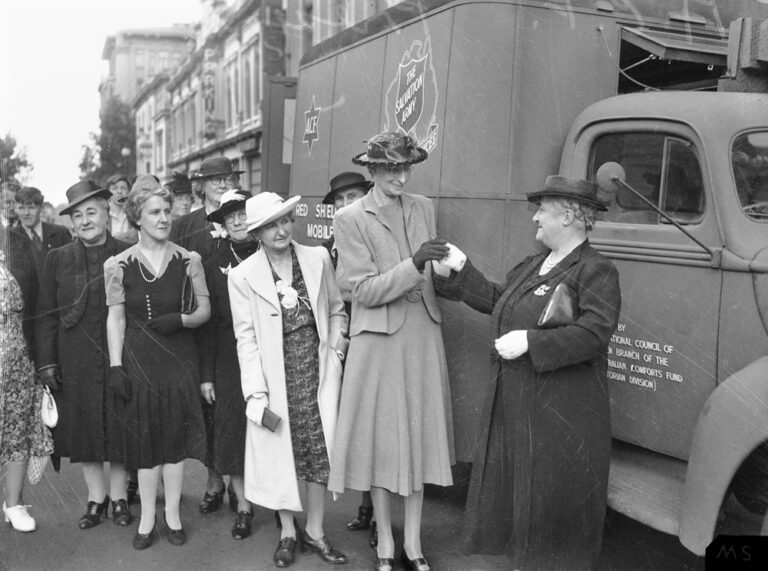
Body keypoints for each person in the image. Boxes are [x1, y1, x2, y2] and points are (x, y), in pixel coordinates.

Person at [441, 176, 621, 570]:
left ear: (570, 216)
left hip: (561, 415)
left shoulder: (596, 269)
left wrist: (531, 343)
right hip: (521, 403)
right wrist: (461, 268)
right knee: (524, 501)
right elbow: (498, 302)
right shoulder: (533, 265)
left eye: (543, 210)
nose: (535, 218)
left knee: (551, 502)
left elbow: (595, 333)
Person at [328, 132, 455, 571]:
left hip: (422, 333)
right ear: (373, 170)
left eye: (406, 167)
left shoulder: (424, 206)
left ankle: (414, 546)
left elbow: (432, 271)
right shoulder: (350, 217)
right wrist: (416, 263)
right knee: (383, 447)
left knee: (417, 442)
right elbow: (363, 290)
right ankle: (385, 544)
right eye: (391, 168)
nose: (400, 175)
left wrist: (447, 268)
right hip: (378, 340)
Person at [229, 192, 349, 568]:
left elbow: (336, 310)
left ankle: (314, 531)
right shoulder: (242, 275)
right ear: (257, 233)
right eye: (270, 225)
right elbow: (245, 338)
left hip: (316, 372)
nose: (280, 230)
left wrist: (337, 351)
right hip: (275, 377)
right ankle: (286, 531)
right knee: (281, 455)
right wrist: (255, 392)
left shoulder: (316, 258)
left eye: (284, 220)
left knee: (317, 452)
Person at [104, 175, 211, 550]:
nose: (164, 218)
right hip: (139, 360)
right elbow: (115, 318)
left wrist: (180, 320)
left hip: (179, 358)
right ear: (137, 218)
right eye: (155, 212)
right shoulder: (117, 265)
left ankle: (173, 516)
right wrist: (116, 365)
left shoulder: (189, 260)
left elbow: (204, 311)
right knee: (146, 442)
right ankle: (147, 517)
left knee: (175, 441)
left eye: (167, 211)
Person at [35, 180, 132, 530]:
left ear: (106, 214)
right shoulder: (57, 259)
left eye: (92, 212)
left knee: (120, 424)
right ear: (71, 224)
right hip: (74, 357)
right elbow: (45, 313)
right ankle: (96, 498)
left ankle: (120, 497)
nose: (86, 220)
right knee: (86, 428)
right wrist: (47, 363)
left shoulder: (126, 252)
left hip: (119, 355)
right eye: (78, 216)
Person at [196, 188, 259, 540]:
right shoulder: (212, 263)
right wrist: (206, 375)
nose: (238, 220)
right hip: (227, 356)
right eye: (230, 215)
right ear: (222, 223)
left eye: (243, 212)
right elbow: (206, 327)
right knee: (233, 428)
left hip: (267, 354)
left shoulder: (271, 254)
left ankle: (275, 500)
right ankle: (245, 506)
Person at [320, 171, 377, 544]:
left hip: (375, 335)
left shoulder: (375, 234)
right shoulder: (330, 245)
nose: (344, 206)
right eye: (338, 202)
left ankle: (376, 513)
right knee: (351, 424)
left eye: (351, 197)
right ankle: (365, 505)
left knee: (375, 423)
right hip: (345, 339)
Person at [0, 228, 53, 532]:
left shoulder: (15, 242)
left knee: (16, 431)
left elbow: (36, 304)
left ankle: (13, 504)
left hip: (18, 358)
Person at [12, 186, 71, 278]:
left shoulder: (61, 233)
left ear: (41, 208)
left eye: (31, 207)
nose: (26, 213)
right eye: (21, 208)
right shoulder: (10, 238)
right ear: (15, 208)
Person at [106, 174, 138, 244]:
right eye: (114, 188)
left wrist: (120, 237)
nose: (119, 191)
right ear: (108, 192)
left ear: (129, 192)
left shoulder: (135, 213)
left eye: (123, 188)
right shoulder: (104, 214)